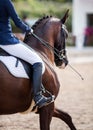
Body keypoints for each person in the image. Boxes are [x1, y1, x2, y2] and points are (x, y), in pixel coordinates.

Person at [0, 0, 53, 108]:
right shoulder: (6, 2)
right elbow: (17, 21)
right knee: (37, 62)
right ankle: (38, 97)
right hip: (6, 42)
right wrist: (28, 29)